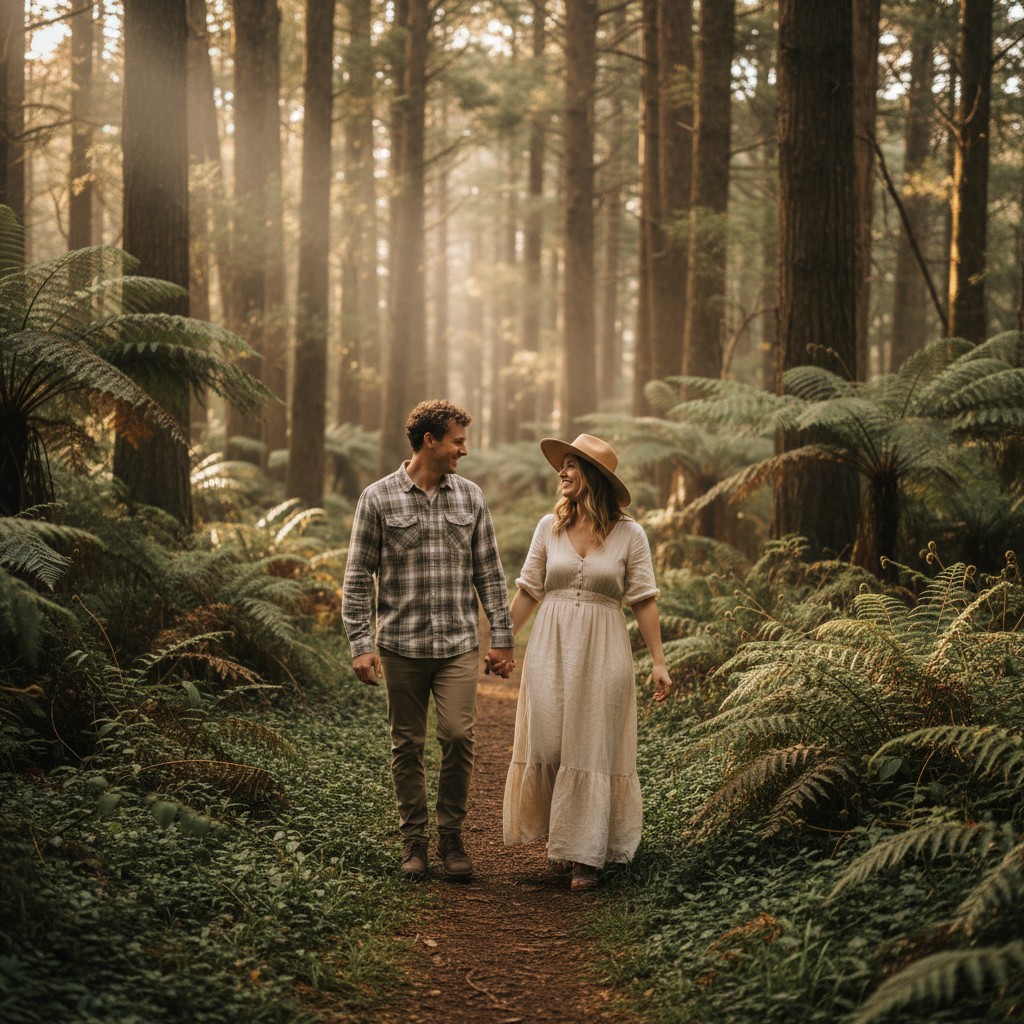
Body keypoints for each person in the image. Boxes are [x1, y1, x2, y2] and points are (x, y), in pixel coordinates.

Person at [342, 400, 515, 881]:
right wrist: (360, 643)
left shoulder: (471, 498)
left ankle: (451, 837)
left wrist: (502, 638)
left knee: (458, 736)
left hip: (458, 641)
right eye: (457, 440)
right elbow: (358, 577)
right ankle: (414, 842)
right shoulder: (377, 499)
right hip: (400, 643)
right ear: (429, 441)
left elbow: (490, 574)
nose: (465, 449)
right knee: (407, 744)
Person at [502, 433, 671, 891]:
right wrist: (501, 643)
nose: (562, 472)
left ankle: (586, 858)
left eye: (572, 466)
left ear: (592, 477)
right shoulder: (548, 528)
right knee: (551, 739)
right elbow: (529, 590)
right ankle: (564, 837)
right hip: (550, 646)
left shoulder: (630, 534)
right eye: (563, 465)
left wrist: (658, 661)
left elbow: (644, 600)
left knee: (593, 745)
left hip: (603, 647)